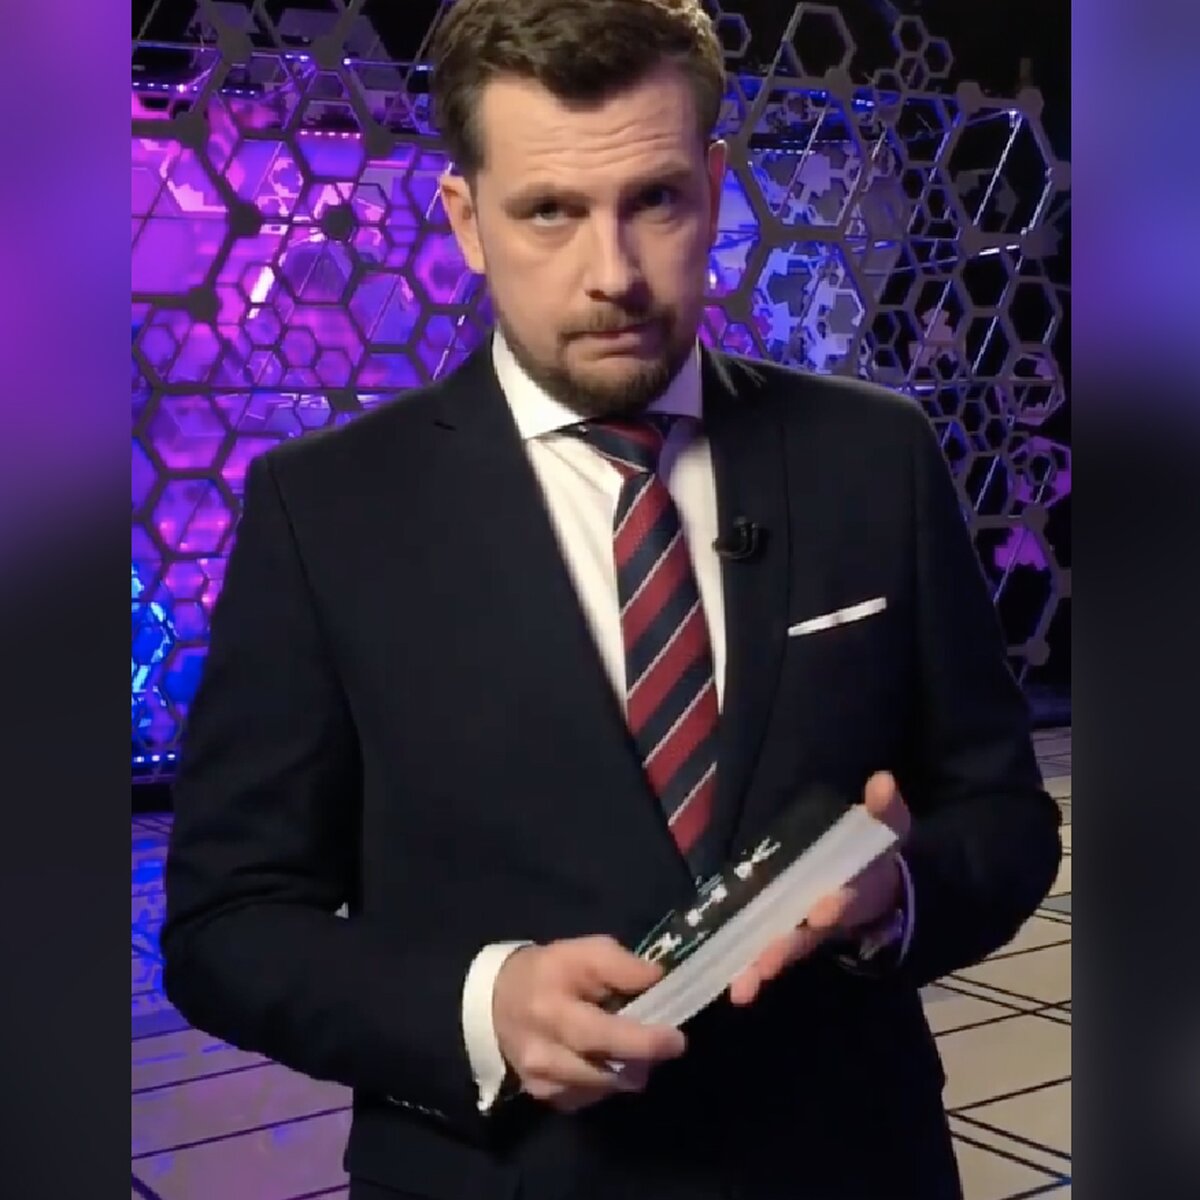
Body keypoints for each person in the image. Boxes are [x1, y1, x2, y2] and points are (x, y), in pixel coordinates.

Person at [160, 1, 1063, 1197]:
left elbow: (1002, 816)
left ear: (716, 186)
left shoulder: (873, 455)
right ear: (465, 220)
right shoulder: (322, 510)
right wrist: (485, 1008)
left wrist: (897, 894)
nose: (614, 275)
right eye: (550, 211)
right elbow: (225, 925)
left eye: (657, 201)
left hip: (849, 1160)